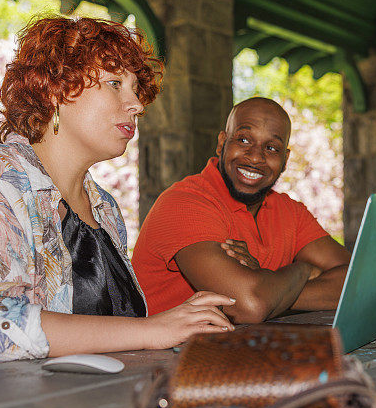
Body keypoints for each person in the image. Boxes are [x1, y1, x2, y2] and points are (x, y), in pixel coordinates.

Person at [0, 16, 234, 376]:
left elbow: (109, 334)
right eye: (115, 84)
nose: (137, 105)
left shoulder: (104, 208)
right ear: (55, 91)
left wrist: (175, 324)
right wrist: (153, 329)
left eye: (136, 90)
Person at [132, 97, 350, 324]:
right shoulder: (185, 203)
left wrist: (271, 290)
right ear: (222, 143)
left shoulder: (290, 211)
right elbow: (249, 305)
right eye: (244, 140)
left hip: (236, 350)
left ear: (285, 160)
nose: (256, 157)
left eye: (271, 148)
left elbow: (358, 281)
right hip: (161, 355)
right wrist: (302, 270)